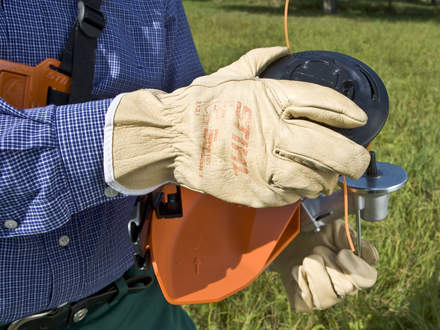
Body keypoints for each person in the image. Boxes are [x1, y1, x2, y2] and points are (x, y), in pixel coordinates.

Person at [0, 1, 377, 329]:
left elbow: (199, 170)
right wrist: (155, 138)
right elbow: (182, 137)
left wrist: (285, 241)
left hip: (132, 302)